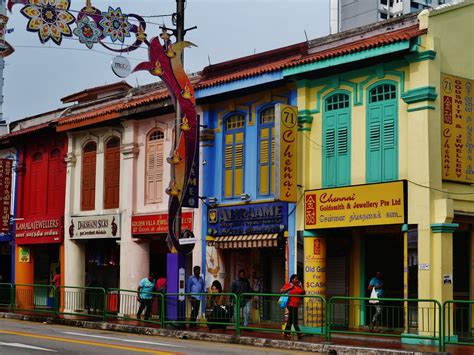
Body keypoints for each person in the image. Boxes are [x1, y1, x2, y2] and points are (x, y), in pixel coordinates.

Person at [280, 274, 305, 339]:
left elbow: (303, 292)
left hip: (296, 304)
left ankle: (286, 333)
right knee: (294, 319)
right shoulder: (289, 285)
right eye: (296, 279)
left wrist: (301, 285)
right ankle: (299, 333)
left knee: (290, 320)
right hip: (291, 304)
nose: (297, 280)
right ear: (292, 279)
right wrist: (290, 288)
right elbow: (281, 290)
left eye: (297, 279)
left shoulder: (298, 286)